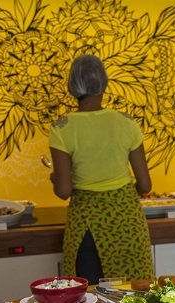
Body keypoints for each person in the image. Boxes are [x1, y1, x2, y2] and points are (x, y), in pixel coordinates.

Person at [48, 54, 154, 284]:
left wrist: (55, 178)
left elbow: (64, 191)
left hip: (86, 225)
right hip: (126, 219)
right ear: (104, 84)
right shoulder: (126, 122)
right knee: (134, 292)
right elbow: (145, 185)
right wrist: (120, 195)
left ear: (72, 86)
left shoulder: (62, 128)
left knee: (89, 295)